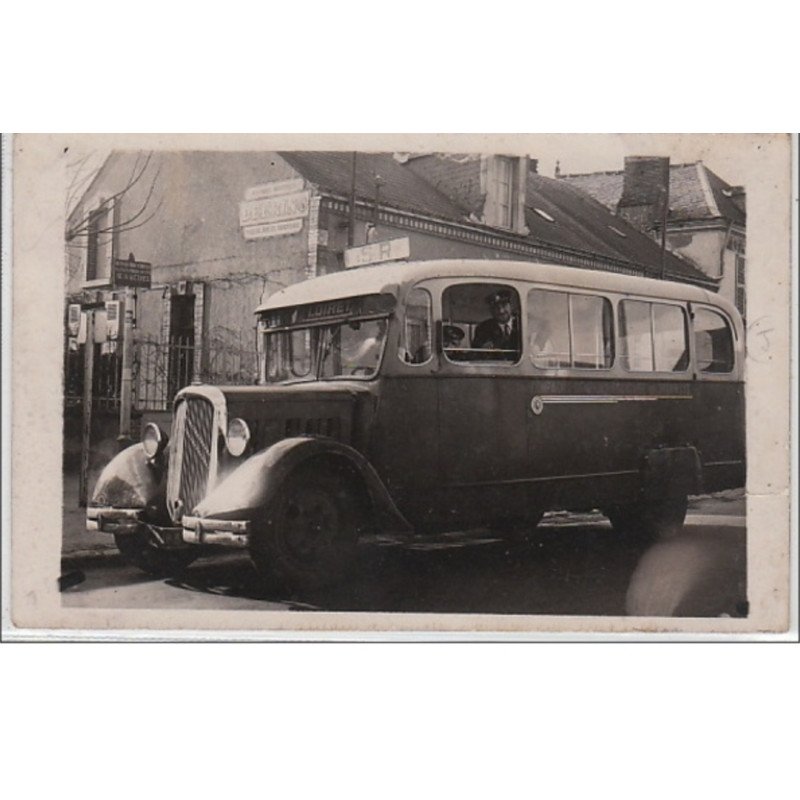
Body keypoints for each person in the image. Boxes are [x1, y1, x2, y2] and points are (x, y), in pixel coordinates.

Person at [471, 289, 520, 358]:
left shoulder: (522, 324)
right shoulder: (483, 328)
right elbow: (475, 354)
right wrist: (483, 351)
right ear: (491, 311)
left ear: (511, 306)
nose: (501, 311)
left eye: (504, 305)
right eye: (496, 308)